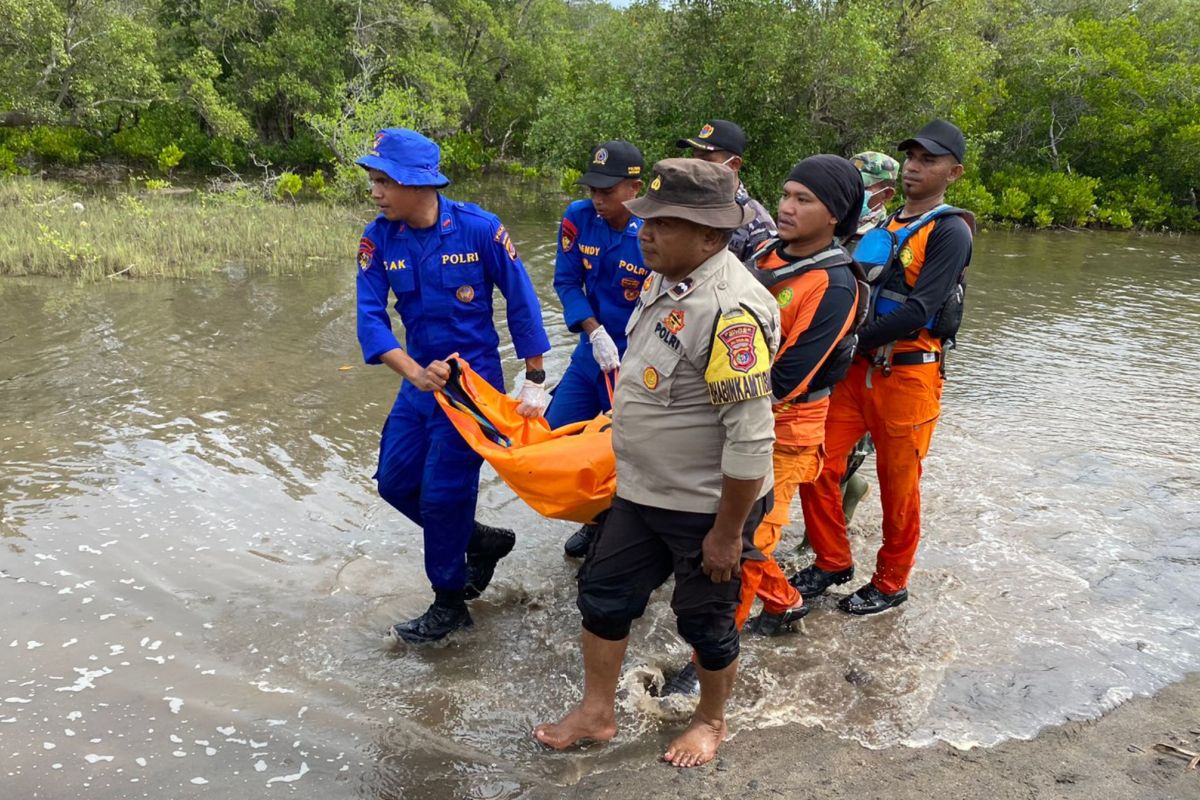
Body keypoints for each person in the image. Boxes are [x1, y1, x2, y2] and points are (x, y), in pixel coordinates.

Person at [533, 159, 780, 768]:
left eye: (666, 224)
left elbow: (750, 441)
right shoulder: (667, 278)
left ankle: (709, 720)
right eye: (648, 218)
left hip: (705, 506)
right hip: (643, 491)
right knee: (603, 594)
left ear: (711, 236)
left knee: (705, 619)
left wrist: (726, 534)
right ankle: (597, 713)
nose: (645, 232)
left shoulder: (731, 312)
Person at [663, 155, 865, 696]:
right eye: (786, 193)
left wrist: (715, 409)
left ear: (835, 215)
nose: (786, 206)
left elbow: (791, 376)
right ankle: (787, 603)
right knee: (743, 536)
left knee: (742, 544)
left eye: (804, 200)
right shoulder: (767, 254)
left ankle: (706, 660)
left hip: (785, 429)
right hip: (730, 413)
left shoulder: (835, 283)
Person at [355, 128, 552, 643]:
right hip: (416, 382)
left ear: (418, 183)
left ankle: (449, 605)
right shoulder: (378, 239)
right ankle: (479, 541)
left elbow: (521, 300)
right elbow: (371, 318)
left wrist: (534, 377)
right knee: (395, 482)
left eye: (383, 181)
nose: (375, 192)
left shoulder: (479, 230)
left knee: (444, 495)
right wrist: (413, 372)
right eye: (373, 180)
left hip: (471, 387)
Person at [792, 119, 974, 615]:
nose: (915, 167)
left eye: (928, 161)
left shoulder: (950, 230)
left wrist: (845, 342)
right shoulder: (887, 222)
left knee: (900, 486)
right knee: (816, 462)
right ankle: (831, 560)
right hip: (856, 371)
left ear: (952, 173)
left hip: (908, 376)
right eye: (911, 158)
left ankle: (892, 582)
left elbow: (920, 309)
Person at [546, 140, 648, 558]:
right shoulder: (578, 218)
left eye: (607, 192)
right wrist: (593, 330)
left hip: (638, 357)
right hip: (593, 348)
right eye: (593, 190)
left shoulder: (654, 230)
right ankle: (594, 517)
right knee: (557, 435)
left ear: (634, 188)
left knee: (623, 450)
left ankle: (618, 528)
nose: (597, 200)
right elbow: (566, 281)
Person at [839, 151, 900, 521]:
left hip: (862, 356)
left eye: (861, 186)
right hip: (832, 351)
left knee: (844, 454)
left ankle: (817, 543)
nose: (853, 193)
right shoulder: (838, 228)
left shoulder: (886, 238)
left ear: (885, 194)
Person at [676, 119, 777, 261]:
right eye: (694, 158)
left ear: (734, 164)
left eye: (706, 160)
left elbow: (760, 278)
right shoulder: (682, 203)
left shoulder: (756, 221)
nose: (696, 166)